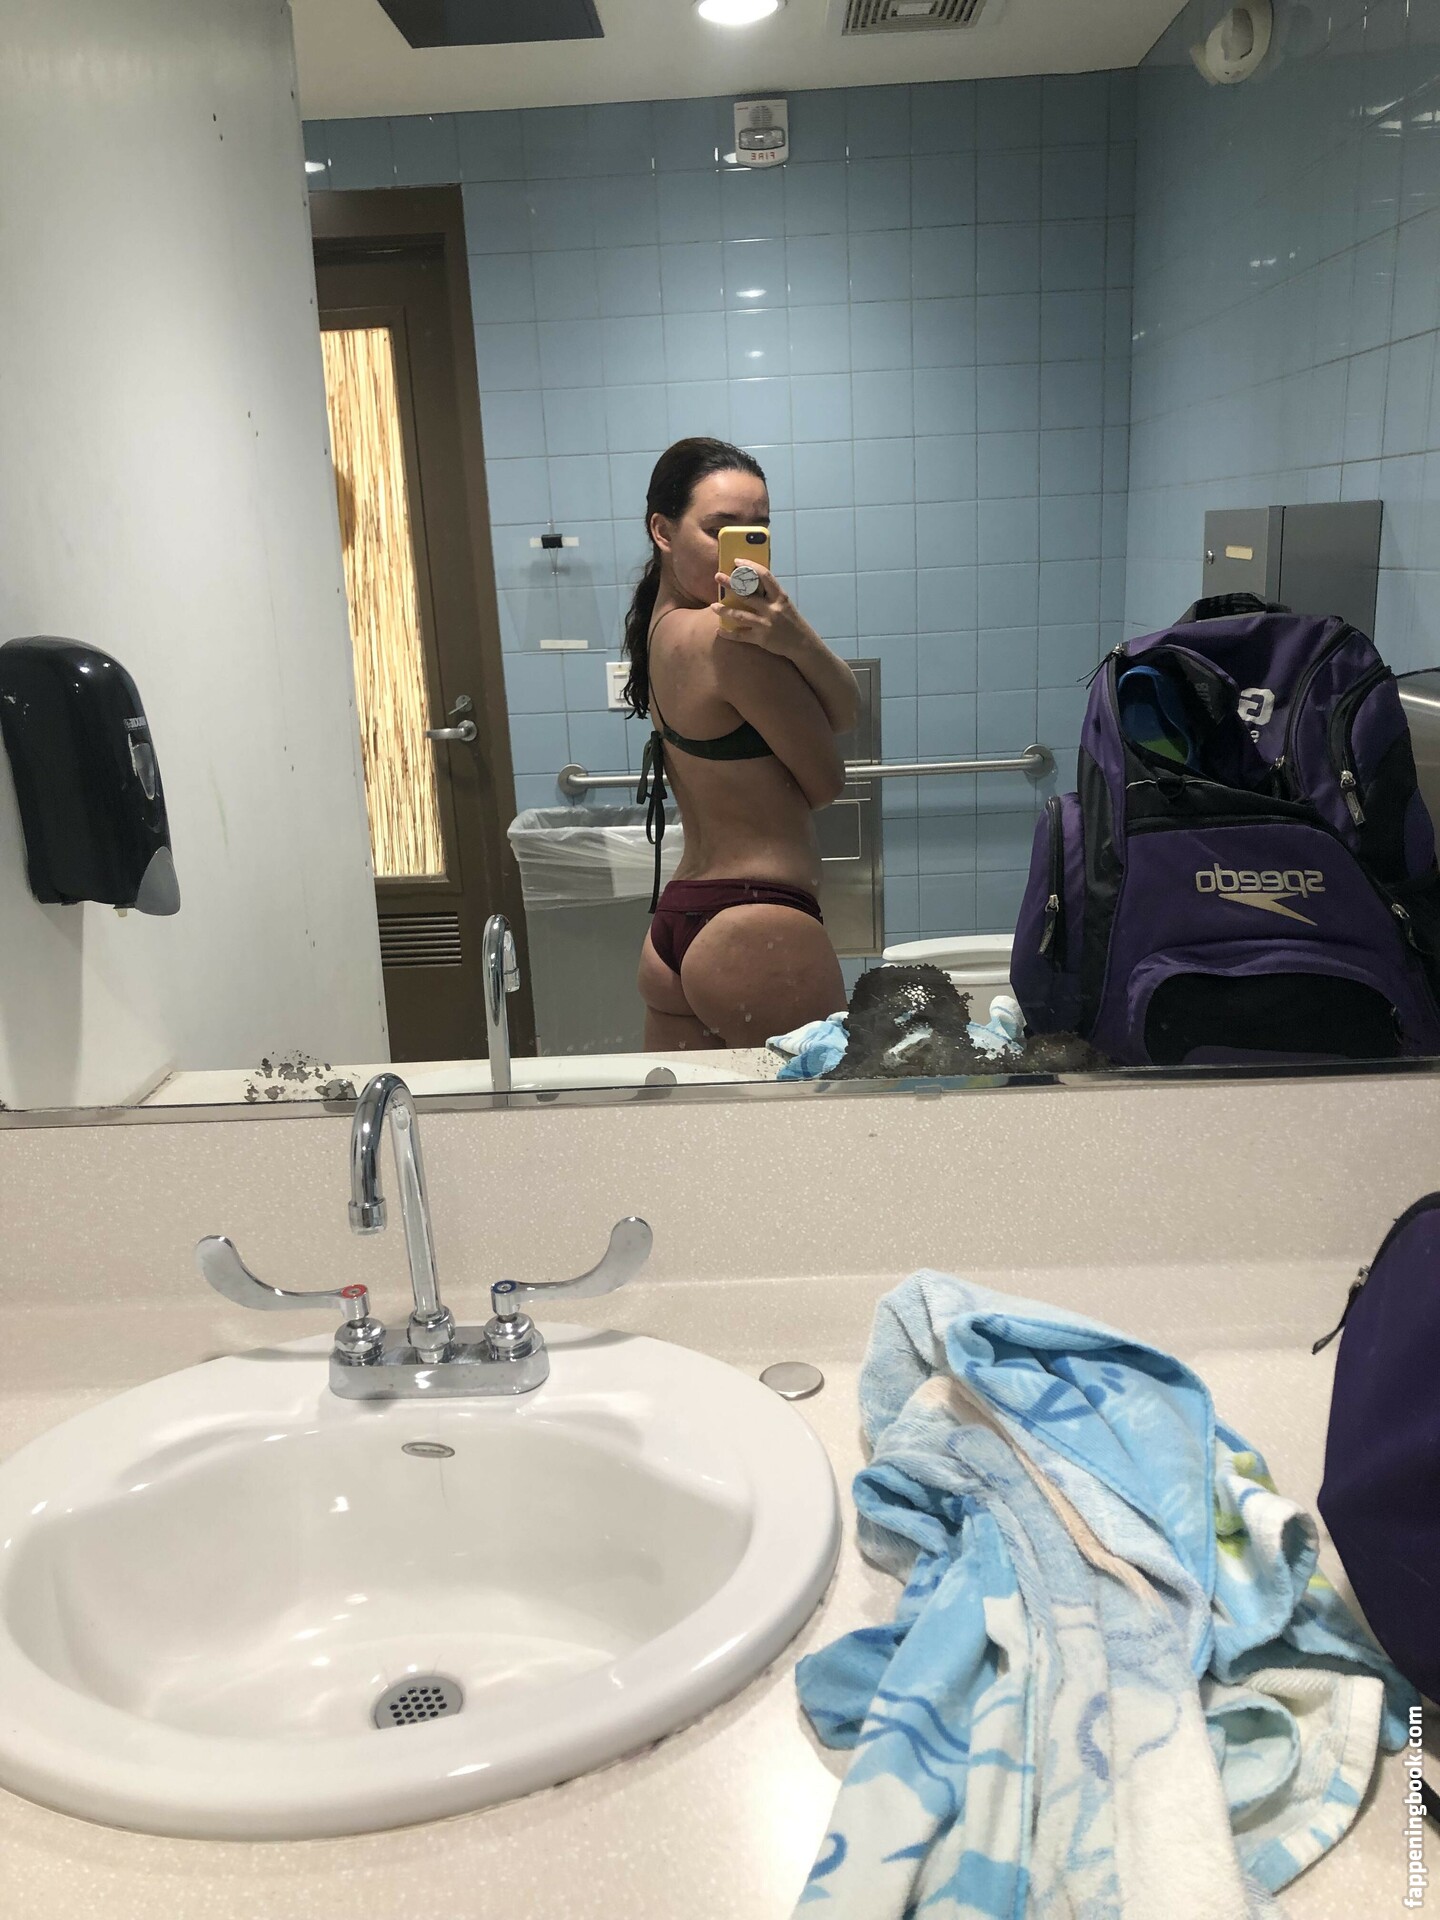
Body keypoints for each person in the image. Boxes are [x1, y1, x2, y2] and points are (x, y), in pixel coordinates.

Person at [621, 437, 861, 1050]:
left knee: (690, 1118)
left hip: (677, 926)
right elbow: (827, 780)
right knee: (823, 1115)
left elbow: (844, 711)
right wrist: (794, 637)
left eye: (758, 530)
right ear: (663, 531)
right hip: (756, 931)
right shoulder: (727, 639)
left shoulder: (659, 629)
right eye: (719, 529)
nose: (743, 549)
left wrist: (789, 636)